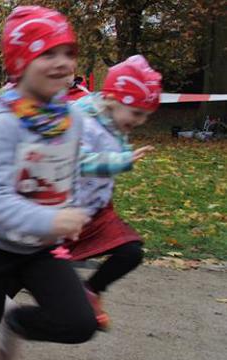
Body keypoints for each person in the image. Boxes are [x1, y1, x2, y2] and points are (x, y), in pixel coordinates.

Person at [0, 7, 97, 360]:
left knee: (79, 322)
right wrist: (52, 220)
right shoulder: (5, 120)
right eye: (48, 53)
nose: (63, 63)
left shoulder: (71, 118)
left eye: (69, 53)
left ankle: (13, 323)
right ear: (22, 61)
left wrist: (70, 210)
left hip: (39, 248)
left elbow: (66, 178)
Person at [63, 55, 161, 331]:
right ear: (115, 100)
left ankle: (91, 290)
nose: (140, 121)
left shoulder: (116, 125)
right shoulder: (81, 120)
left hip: (96, 212)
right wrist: (120, 161)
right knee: (31, 271)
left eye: (145, 115)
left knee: (131, 251)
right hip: (63, 213)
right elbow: (75, 161)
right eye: (137, 113)